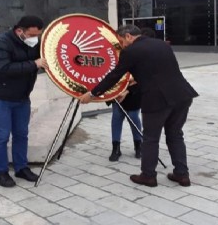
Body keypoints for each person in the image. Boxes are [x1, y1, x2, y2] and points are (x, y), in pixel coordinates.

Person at [78, 24, 198, 187]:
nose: (121, 45)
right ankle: (182, 175)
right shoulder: (162, 44)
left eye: (121, 41)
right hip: (182, 95)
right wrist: (127, 91)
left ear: (128, 36)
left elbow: (114, 76)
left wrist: (92, 94)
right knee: (175, 135)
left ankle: (148, 176)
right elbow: (155, 72)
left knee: (150, 139)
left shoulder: (131, 51)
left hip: (157, 100)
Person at [0, 15, 48, 187]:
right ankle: (1, 172)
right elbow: (3, 68)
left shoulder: (32, 44)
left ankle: (21, 168)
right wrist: (34, 64)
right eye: (32, 35)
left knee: (21, 134)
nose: (35, 39)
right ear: (20, 31)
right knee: (1, 136)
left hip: (21, 98)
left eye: (38, 35)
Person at [107, 77, 142, 161]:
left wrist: (128, 90)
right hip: (117, 92)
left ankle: (138, 146)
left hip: (133, 94)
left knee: (134, 118)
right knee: (116, 119)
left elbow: (143, 77)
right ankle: (116, 148)